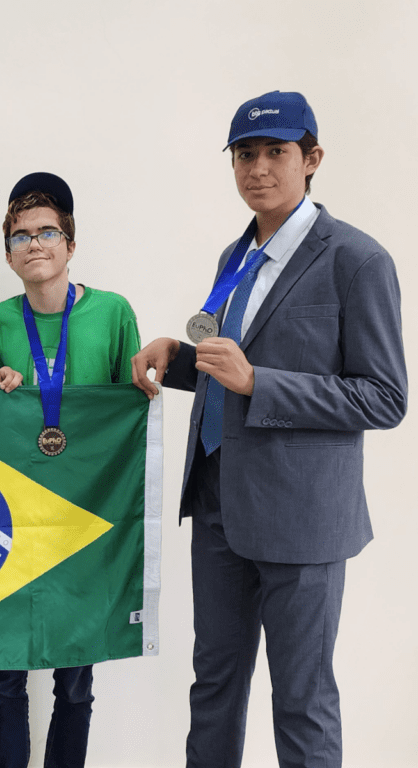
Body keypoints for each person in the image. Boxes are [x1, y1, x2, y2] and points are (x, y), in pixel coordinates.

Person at [131, 91, 407, 768]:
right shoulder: (237, 253)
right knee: (214, 689)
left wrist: (259, 383)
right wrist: (181, 359)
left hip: (303, 519)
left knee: (302, 700)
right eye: (244, 154)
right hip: (220, 504)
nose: (257, 168)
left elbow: (384, 398)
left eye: (275, 152)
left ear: (311, 159)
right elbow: (238, 360)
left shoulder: (356, 260)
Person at [0, 173, 141, 768]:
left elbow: (131, 412)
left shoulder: (112, 313)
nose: (35, 244)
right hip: (9, 521)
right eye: (21, 237)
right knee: (4, 678)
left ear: (70, 245)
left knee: (75, 683)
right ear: (9, 254)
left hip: (84, 523)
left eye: (48, 232)